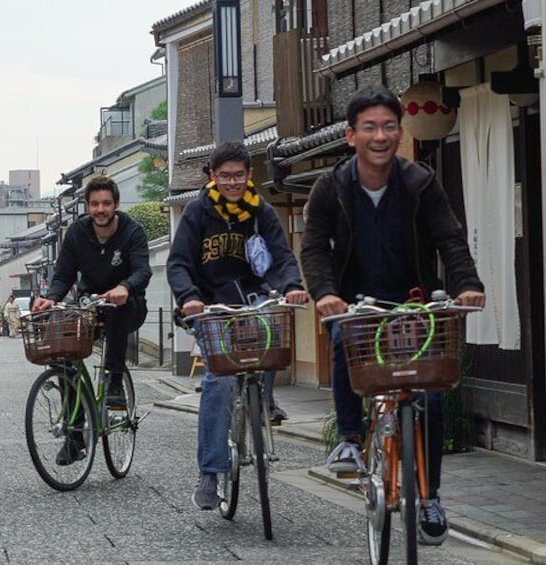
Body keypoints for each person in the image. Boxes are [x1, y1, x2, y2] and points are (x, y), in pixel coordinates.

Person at [300, 85, 485, 546]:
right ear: (350, 135)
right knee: (344, 342)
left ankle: (431, 498)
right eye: (369, 128)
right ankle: (348, 437)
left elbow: (450, 237)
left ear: (400, 133)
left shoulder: (420, 182)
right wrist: (324, 294)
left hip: (412, 302)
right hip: (357, 304)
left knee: (431, 396)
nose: (379, 136)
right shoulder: (331, 187)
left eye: (387, 127)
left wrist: (467, 285)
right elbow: (314, 247)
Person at [167, 140, 309, 511]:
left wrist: (292, 287)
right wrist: (189, 298)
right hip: (212, 305)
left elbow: (281, 256)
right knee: (219, 379)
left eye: (239, 176)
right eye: (225, 176)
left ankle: (264, 396)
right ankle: (210, 473)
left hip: (253, 299)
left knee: (270, 328)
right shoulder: (198, 213)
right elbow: (179, 263)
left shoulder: (260, 211)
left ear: (249, 176)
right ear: (212, 176)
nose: (232, 182)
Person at [32, 175, 151, 464]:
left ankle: (113, 383)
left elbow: (143, 270)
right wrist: (52, 297)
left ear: (116, 205)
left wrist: (125, 287)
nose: (100, 210)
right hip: (88, 304)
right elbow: (63, 275)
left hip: (128, 303)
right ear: (87, 206)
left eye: (106, 204)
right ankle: (75, 437)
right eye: (95, 204)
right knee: (65, 354)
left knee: (118, 313)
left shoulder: (132, 232)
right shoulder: (76, 233)